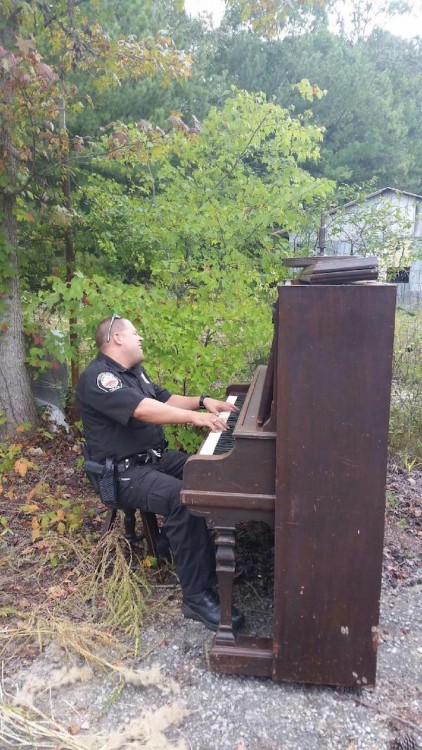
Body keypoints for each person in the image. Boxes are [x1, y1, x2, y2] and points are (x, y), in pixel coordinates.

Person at [76, 314, 244, 632]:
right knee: (181, 500)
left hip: (152, 459)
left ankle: (182, 551)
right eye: (135, 333)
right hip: (122, 474)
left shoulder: (133, 372)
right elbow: (143, 409)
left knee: (205, 471)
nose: (140, 338)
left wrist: (204, 401)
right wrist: (192, 419)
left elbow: (163, 399)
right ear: (117, 338)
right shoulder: (100, 378)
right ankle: (196, 595)